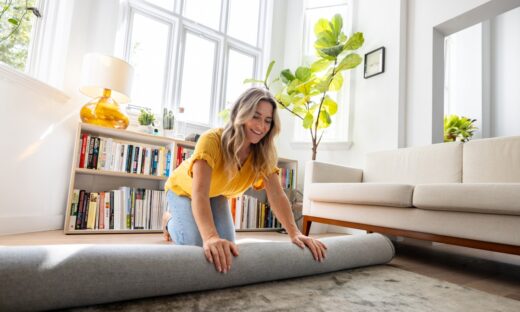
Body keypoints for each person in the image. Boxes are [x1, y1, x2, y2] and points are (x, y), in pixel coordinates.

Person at [162, 87, 327, 273]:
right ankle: (169, 221)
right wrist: (210, 237)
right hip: (183, 190)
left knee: (228, 247)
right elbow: (199, 193)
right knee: (195, 243)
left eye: (267, 121)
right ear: (241, 113)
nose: (261, 126)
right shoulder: (211, 140)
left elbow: (277, 195)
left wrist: (295, 233)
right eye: (255, 116)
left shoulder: (265, 153)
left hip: (216, 194)